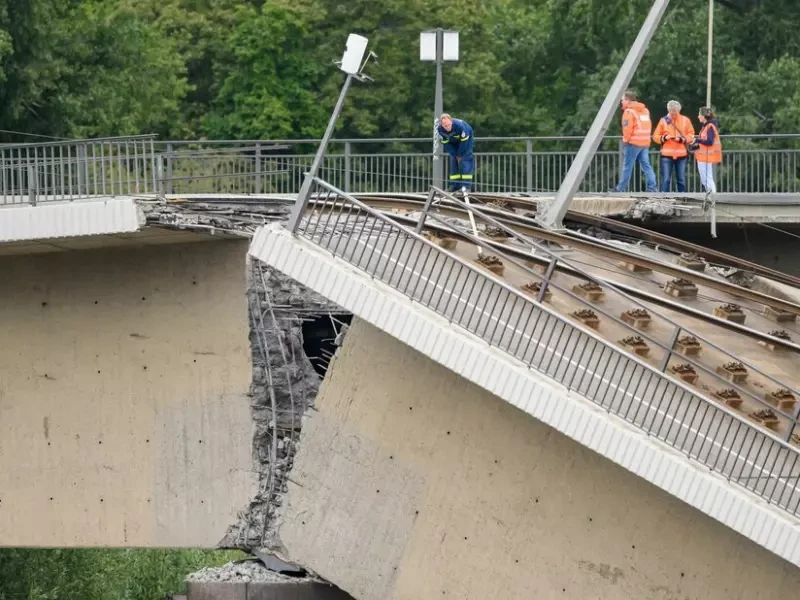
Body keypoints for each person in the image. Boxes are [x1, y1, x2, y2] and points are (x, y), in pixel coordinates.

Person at [614, 91, 657, 193]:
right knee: (646, 166)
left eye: (622, 100)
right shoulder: (645, 111)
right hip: (645, 142)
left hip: (633, 143)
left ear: (628, 100)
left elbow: (627, 129)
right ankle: (653, 187)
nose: (622, 102)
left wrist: (626, 141)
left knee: (627, 166)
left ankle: (620, 188)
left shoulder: (629, 112)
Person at [652, 100, 695, 193]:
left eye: (675, 113)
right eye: (672, 113)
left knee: (681, 179)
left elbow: (691, 134)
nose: (674, 115)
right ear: (668, 110)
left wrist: (682, 139)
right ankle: (664, 198)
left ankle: (683, 198)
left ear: (679, 110)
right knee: (666, 179)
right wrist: (664, 138)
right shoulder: (663, 120)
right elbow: (655, 136)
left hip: (681, 155)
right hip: (667, 154)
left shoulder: (685, 120)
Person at [437, 114, 474, 192]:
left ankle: (466, 187)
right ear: (441, 124)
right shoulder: (440, 129)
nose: (447, 127)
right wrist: (454, 154)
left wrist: (460, 154)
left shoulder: (460, 127)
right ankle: (454, 185)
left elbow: (464, 142)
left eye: (449, 125)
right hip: (453, 142)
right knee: (453, 162)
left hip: (465, 141)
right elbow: (446, 143)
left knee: (465, 162)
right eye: (445, 126)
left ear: (451, 122)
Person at [693, 107, 722, 194]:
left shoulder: (709, 127)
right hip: (704, 156)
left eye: (699, 114)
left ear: (704, 116)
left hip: (706, 156)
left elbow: (709, 141)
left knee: (707, 179)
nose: (698, 116)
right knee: (705, 179)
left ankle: (713, 197)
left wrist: (697, 140)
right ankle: (711, 196)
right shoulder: (707, 126)